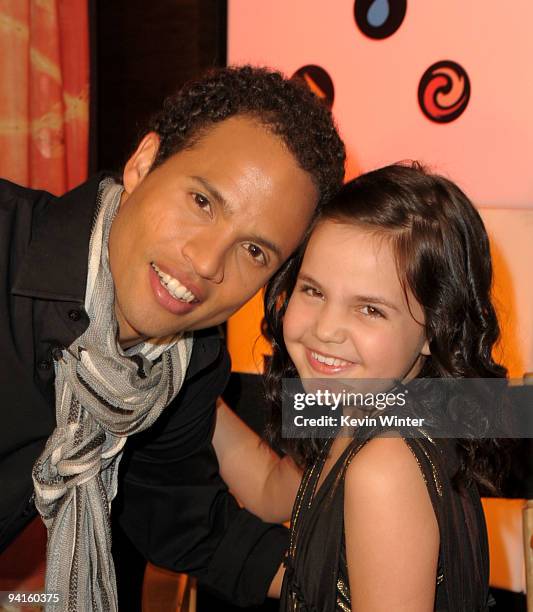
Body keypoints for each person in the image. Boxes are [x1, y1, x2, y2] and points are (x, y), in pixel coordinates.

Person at [0, 65, 345, 610]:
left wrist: (349, 584)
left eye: (254, 251)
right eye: (202, 202)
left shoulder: (179, 365)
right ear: (142, 163)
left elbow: (180, 515)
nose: (207, 264)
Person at [214, 163, 507, 611]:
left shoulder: (383, 470)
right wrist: (186, 393)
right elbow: (272, 490)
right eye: (313, 291)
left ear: (435, 329)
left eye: (370, 309)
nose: (327, 329)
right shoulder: (355, 404)